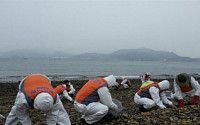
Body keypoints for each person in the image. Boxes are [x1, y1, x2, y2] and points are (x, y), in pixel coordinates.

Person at [5, 74, 71, 125]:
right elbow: (23, 116)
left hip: (44, 80)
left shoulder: (54, 97)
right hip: (26, 82)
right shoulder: (23, 99)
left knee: (60, 111)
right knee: (17, 110)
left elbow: (53, 116)